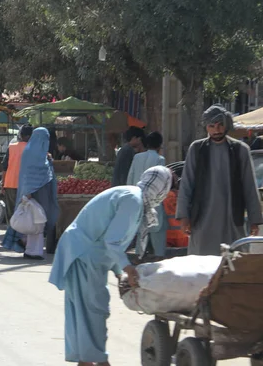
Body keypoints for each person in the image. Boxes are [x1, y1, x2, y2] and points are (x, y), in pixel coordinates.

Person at [49, 166, 173, 366]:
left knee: (85, 313)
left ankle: (87, 360)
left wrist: (118, 271)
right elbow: (113, 241)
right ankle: (97, 360)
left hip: (86, 254)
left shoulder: (134, 197)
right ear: (160, 188)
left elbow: (114, 239)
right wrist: (128, 269)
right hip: (85, 254)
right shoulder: (133, 200)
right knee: (94, 312)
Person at [177, 104, 263, 256]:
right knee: (201, 266)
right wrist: (184, 217)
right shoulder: (196, 149)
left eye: (220, 125)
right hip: (202, 220)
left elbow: (250, 187)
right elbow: (186, 185)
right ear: (206, 127)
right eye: (212, 126)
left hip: (231, 218)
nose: (216, 130)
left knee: (233, 263)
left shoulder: (240, 150)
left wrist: (254, 220)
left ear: (226, 125)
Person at [2, 127, 60, 260]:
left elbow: (44, 170)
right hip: (33, 193)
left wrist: (49, 161)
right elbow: (30, 174)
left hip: (39, 192)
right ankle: (33, 250)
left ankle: (32, 250)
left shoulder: (37, 152)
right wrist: (28, 192)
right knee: (35, 223)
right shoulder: (32, 153)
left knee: (37, 223)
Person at [2, 124, 34, 222]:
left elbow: (4, 167)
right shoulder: (33, 148)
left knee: (11, 211)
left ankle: (11, 233)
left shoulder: (11, 147)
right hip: (26, 185)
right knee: (24, 211)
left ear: (21, 135)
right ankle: (20, 233)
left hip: (10, 184)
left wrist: (3, 184)